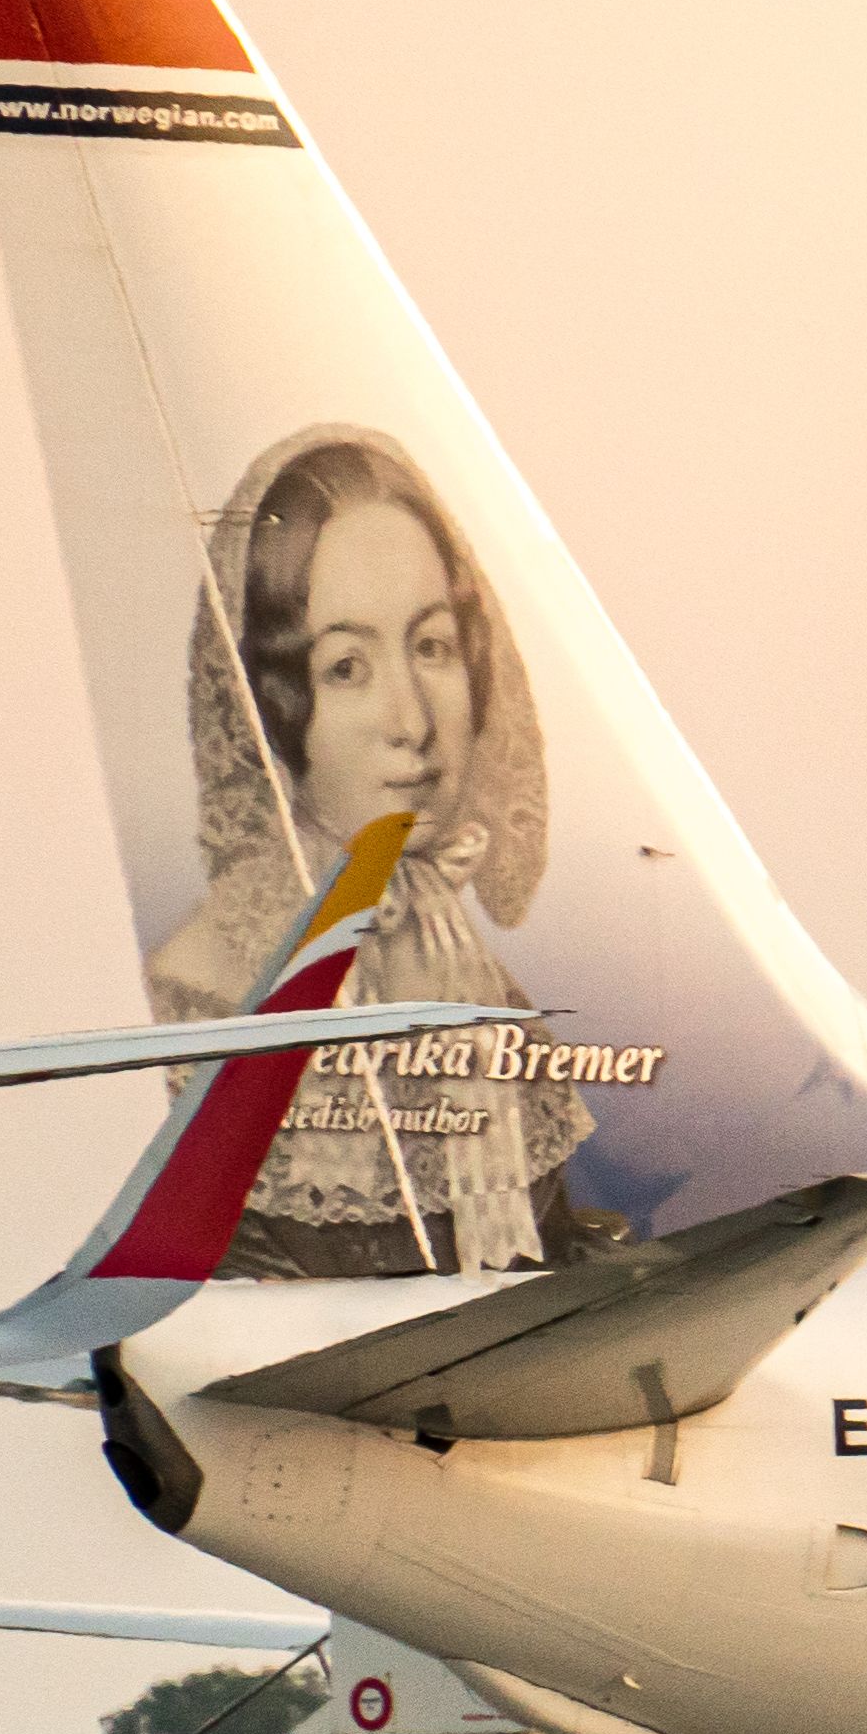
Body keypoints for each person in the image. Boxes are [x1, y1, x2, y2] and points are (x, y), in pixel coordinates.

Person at [141, 426, 607, 1276]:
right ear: (275, 702)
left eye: (431, 648)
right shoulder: (200, 1009)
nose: (413, 722)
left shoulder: (477, 983)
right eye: (346, 666)